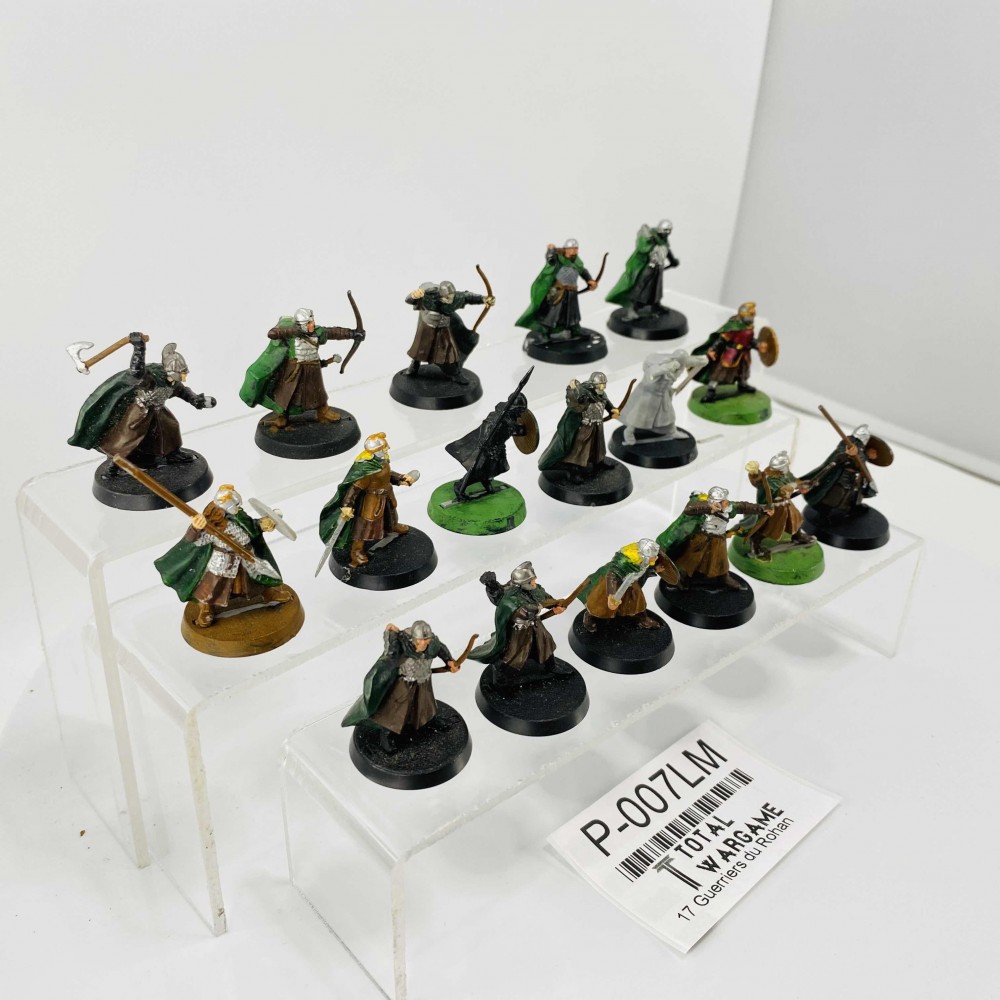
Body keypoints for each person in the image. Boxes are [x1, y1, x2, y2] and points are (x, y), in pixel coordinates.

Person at [68, 335, 216, 473]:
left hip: (157, 410)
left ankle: (172, 454)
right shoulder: (152, 378)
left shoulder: (173, 383)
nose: (184, 377)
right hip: (139, 412)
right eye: (182, 373)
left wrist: (196, 400)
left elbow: (183, 391)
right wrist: (139, 348)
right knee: (128, 438)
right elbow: (137, 371)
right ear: (172, 371)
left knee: (170, 426)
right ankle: (116, 462)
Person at [154, 483, 291, 628]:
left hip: (246, 555)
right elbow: (196, 540)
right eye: (235, 505)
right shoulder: (211, 523)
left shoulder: (239, 514)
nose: (238, 508)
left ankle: (268, 593)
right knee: (212, 586)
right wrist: (196, 528)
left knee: (256, 578)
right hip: (223, 560)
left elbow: (250, 527)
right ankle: (206, 608)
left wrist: (261, 524)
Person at [341, 621, 459, 752]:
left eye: (426, 640)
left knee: (425, 704)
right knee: (395, 710)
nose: (424, 644)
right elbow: (391, 655)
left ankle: (431, 722)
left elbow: (440, 649)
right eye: (421, 640)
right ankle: (386, 735)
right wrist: (391, 635)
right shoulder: (403, 643)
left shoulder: (433, 644)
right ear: (414, 639)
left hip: (423, 680)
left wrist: (449, 661)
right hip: (404, 682)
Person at [240, 307, 362, 427]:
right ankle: (281, 418)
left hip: (313, 368)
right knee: (286, 394)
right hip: (294, 370)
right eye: (308, 323)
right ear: (301, 325)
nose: (312, 324)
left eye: (312, 321)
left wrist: (353, 334)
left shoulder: (317, 332)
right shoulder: (291, 334)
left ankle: (323, 412)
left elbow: (333, 332)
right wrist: (292, 331)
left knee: (318, 392)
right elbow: (272, 333)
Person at [318, 433, 417, 567]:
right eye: (384, 448)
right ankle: (357, 551)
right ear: (376, 451)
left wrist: (400, 478)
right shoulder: (366, 469)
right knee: (366, 528)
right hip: (372, 501)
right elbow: (355, 488)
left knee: (391, 515)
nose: (387, 449)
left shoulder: (382, 461)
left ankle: (392, 527)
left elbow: (387, 474)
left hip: (386, 495)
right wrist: (347, 505)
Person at [657, 486, 785, 590]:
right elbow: (689, 509)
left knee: (721, 560)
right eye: (722, 501)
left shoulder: (728, 507)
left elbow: (744, 506)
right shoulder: (703, 507)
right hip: (701, 538)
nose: (726, 502)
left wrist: (762, 509)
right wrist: (709, 508)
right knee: (689, 560)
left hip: (719, 539)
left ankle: (723, 577)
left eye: (725, 500)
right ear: (715, 502)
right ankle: (680, 578)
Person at [468, 562, 570, 686]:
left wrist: (556, 604)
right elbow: (528, 611)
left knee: (545, 644)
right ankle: (500, 675)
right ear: (525, 583)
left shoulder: (534, 589)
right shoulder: (512, 598)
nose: (535, 580)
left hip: (535, 627)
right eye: (532, 579)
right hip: (520, 632)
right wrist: (492, 585)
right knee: (514, 654)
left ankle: (551, 667)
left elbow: (545, 598)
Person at [577, 539, 679, 632]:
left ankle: (643, 619)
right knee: (600, 606)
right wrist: (611, 596)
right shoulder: (624, 562)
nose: (654, 560)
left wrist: (654, 569)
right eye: (652, 558)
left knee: (637, 602)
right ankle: (589, 617)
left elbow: (641, 570)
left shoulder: (641, 560)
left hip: (630, 583)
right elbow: (611, 575)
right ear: (644, 556)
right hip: (610, 584)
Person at [404, 280, 493, 383]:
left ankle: (455, 373)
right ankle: (414, 365)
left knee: (448, 350)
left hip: (443, 327)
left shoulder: (455, 297)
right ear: (441, 295)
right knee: (421, 347)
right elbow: (409, 300)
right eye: (447, 297)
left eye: (451, 297)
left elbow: (467, 296)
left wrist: (484, 299)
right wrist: (413, 295)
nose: (450, 300)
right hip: (427, 325)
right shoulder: (429, 298)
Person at [537, 372, 619, 481]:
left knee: (599, 447)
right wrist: (573, 389)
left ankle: (599, 463)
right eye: (601, 384)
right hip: (585, 426)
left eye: (604, 384)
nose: (603, 387)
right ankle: (574, 471)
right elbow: (574, 401)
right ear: (593, 384)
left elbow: (605, 402)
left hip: (598, 425)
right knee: (580, 450)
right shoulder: (583, 393)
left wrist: (612, 409)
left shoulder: (601, 394)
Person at [736, 452, 815, 560]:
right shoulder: (770, 479)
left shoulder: (785, 473)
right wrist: (795, 486)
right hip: (774, 508)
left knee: (796, 519)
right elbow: (782, 491)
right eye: (786, 465)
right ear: (780, 468)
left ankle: (798, 537)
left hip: (786, 504)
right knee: (769, 528)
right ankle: (755, 544)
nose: (787, 467)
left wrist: (803, 484)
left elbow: (793, 480)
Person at [516, 239, 599, 342]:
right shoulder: (558, 259)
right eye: (572, 248)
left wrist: (589, 280)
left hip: (572, 291)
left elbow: (582, 271)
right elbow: (550, 260)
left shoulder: (577, 262)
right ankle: (545, 333)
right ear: (566, 249)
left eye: (576, 248)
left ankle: (575, 330)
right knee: (551, 313)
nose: (574, 251)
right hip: (558, 291)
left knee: (573, 313)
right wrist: (550, 250)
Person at [800, 425, 889, 519]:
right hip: (840, 477)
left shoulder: (861, 450)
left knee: (852, 496)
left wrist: (860, 454)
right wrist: (852, 452)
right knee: (834, 496)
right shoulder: (849, 442)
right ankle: (823, 516)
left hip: (854, 479)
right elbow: (843, 450)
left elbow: (860, 460)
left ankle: (850, 510)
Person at [618, 350, 705, 445]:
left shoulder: (680, 363)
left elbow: (689, 361)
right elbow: (651, 375)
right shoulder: (660, 365)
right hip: (649, 394)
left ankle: (672, 432)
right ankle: (629, 432)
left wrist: (701, 361)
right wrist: (664, 369)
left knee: (669, 415)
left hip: (663, 393)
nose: (681, 365)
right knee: (640, 415)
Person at [605, 220, 680, 320]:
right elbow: (643, 248)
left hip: (659, 268)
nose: (667, 233)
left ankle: (656, 306)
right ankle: (632, 310)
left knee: (656, 288)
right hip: (649, 267)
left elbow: (666, 250)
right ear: (660, 230)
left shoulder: (663, 240)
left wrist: (673, 260)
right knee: (640, 287)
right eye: (665, 231)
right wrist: (650, 243)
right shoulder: (652, 239)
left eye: (669, 231)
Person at [691, 302, 762, 401]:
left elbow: (750, 340)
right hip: (731, 353)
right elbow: (721, 339)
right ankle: (711, 389)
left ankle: (743, 385)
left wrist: (758, 345)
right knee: (720, 372)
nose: (752, 318)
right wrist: (713, 349)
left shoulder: (749, 327)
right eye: (750, 315)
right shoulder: (734, 326)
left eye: (752, 316)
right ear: (743, 315)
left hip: (744, 354)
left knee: (743, 371)